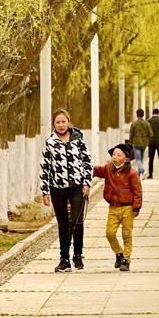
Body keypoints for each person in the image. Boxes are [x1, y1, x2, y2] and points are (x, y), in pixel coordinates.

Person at [40, 109, 92, 273]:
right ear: (54, 124)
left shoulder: (79, 140)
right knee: (63, 225)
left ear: (68, 122)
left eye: (63, 121)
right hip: (58, 189)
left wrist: (87, 183)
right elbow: (45, 168)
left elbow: (87, 162)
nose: (61, 125)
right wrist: (45, 191)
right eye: (57, 122)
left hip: (77, 187)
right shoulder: (50, 143)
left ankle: (78, 255)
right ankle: (64, 259)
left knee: (77, 222)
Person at [94, 143, 142, 272]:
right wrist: (84, 167)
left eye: (118, 155)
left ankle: (126, 259)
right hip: (113, 208)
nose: (115, 157)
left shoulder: (132, 173)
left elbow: (138, 191)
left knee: (127, 234)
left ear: (126, 158)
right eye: (113, 154)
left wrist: (136, 207)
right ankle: (119, 253)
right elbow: (96, 170)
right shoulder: (108, 169)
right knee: (110, 233)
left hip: (128, 208)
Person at [128, 109, 152, 179]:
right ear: (143, 114)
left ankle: (143, 171)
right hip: (144, 144)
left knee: (138, 159)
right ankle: (139, 173)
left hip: (136, 144)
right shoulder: (147, 124)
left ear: (137, 115)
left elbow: (131, 134)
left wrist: (131, 141)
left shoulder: (134, 124)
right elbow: (150, 134)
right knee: (141, 159)